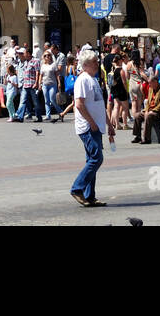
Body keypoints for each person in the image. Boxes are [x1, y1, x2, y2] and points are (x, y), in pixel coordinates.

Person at [69, 49, 113, 208]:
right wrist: (92, 122)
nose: (97, 64)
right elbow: (79, 104)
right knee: (97, 158)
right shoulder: (82, 80)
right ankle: (77, 188)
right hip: (88, 127)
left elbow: (99, 105)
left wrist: (108, 124)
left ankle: (89, 196)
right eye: (94, 61)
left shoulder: (93, 79)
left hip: (96, 126)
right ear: (86, 64)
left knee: (91, 159)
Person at [131, 73, 160, 144]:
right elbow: (148, 102)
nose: (149, 85)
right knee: (137, 115)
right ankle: (138, 136)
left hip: (159, 112)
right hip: (150, 110)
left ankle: (146, 138)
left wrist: (152, 110)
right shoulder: (151, 89)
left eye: (150, 83)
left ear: (155, 82)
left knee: (148, 116)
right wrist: (146, 110)